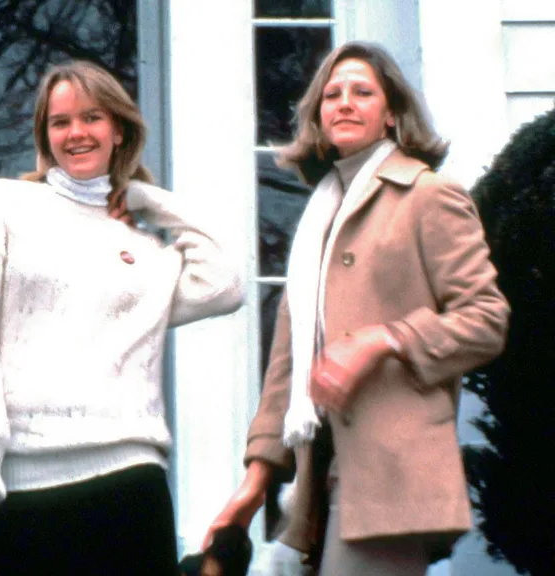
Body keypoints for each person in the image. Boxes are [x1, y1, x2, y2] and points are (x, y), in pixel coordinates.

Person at [206, 41, 510, 574]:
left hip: (392, 483)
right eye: (333, 94)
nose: (345, 102)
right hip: (314, 485)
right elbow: (285, 369)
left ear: (391, 113)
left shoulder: (429, 196)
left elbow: (486, 319)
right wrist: (253, 486)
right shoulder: (317, 222)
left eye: (362, 92)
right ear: (319, 117)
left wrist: (383, 339)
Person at [0, 60, 243, 576]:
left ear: (118, 129)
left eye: (92, 117)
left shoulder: (145, 251)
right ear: (45, 135)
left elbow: (227, 282)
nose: (76, 133)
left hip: (127, 480)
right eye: (60, 121)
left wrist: (139, 195)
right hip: (20, 486)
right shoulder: (7, 202)